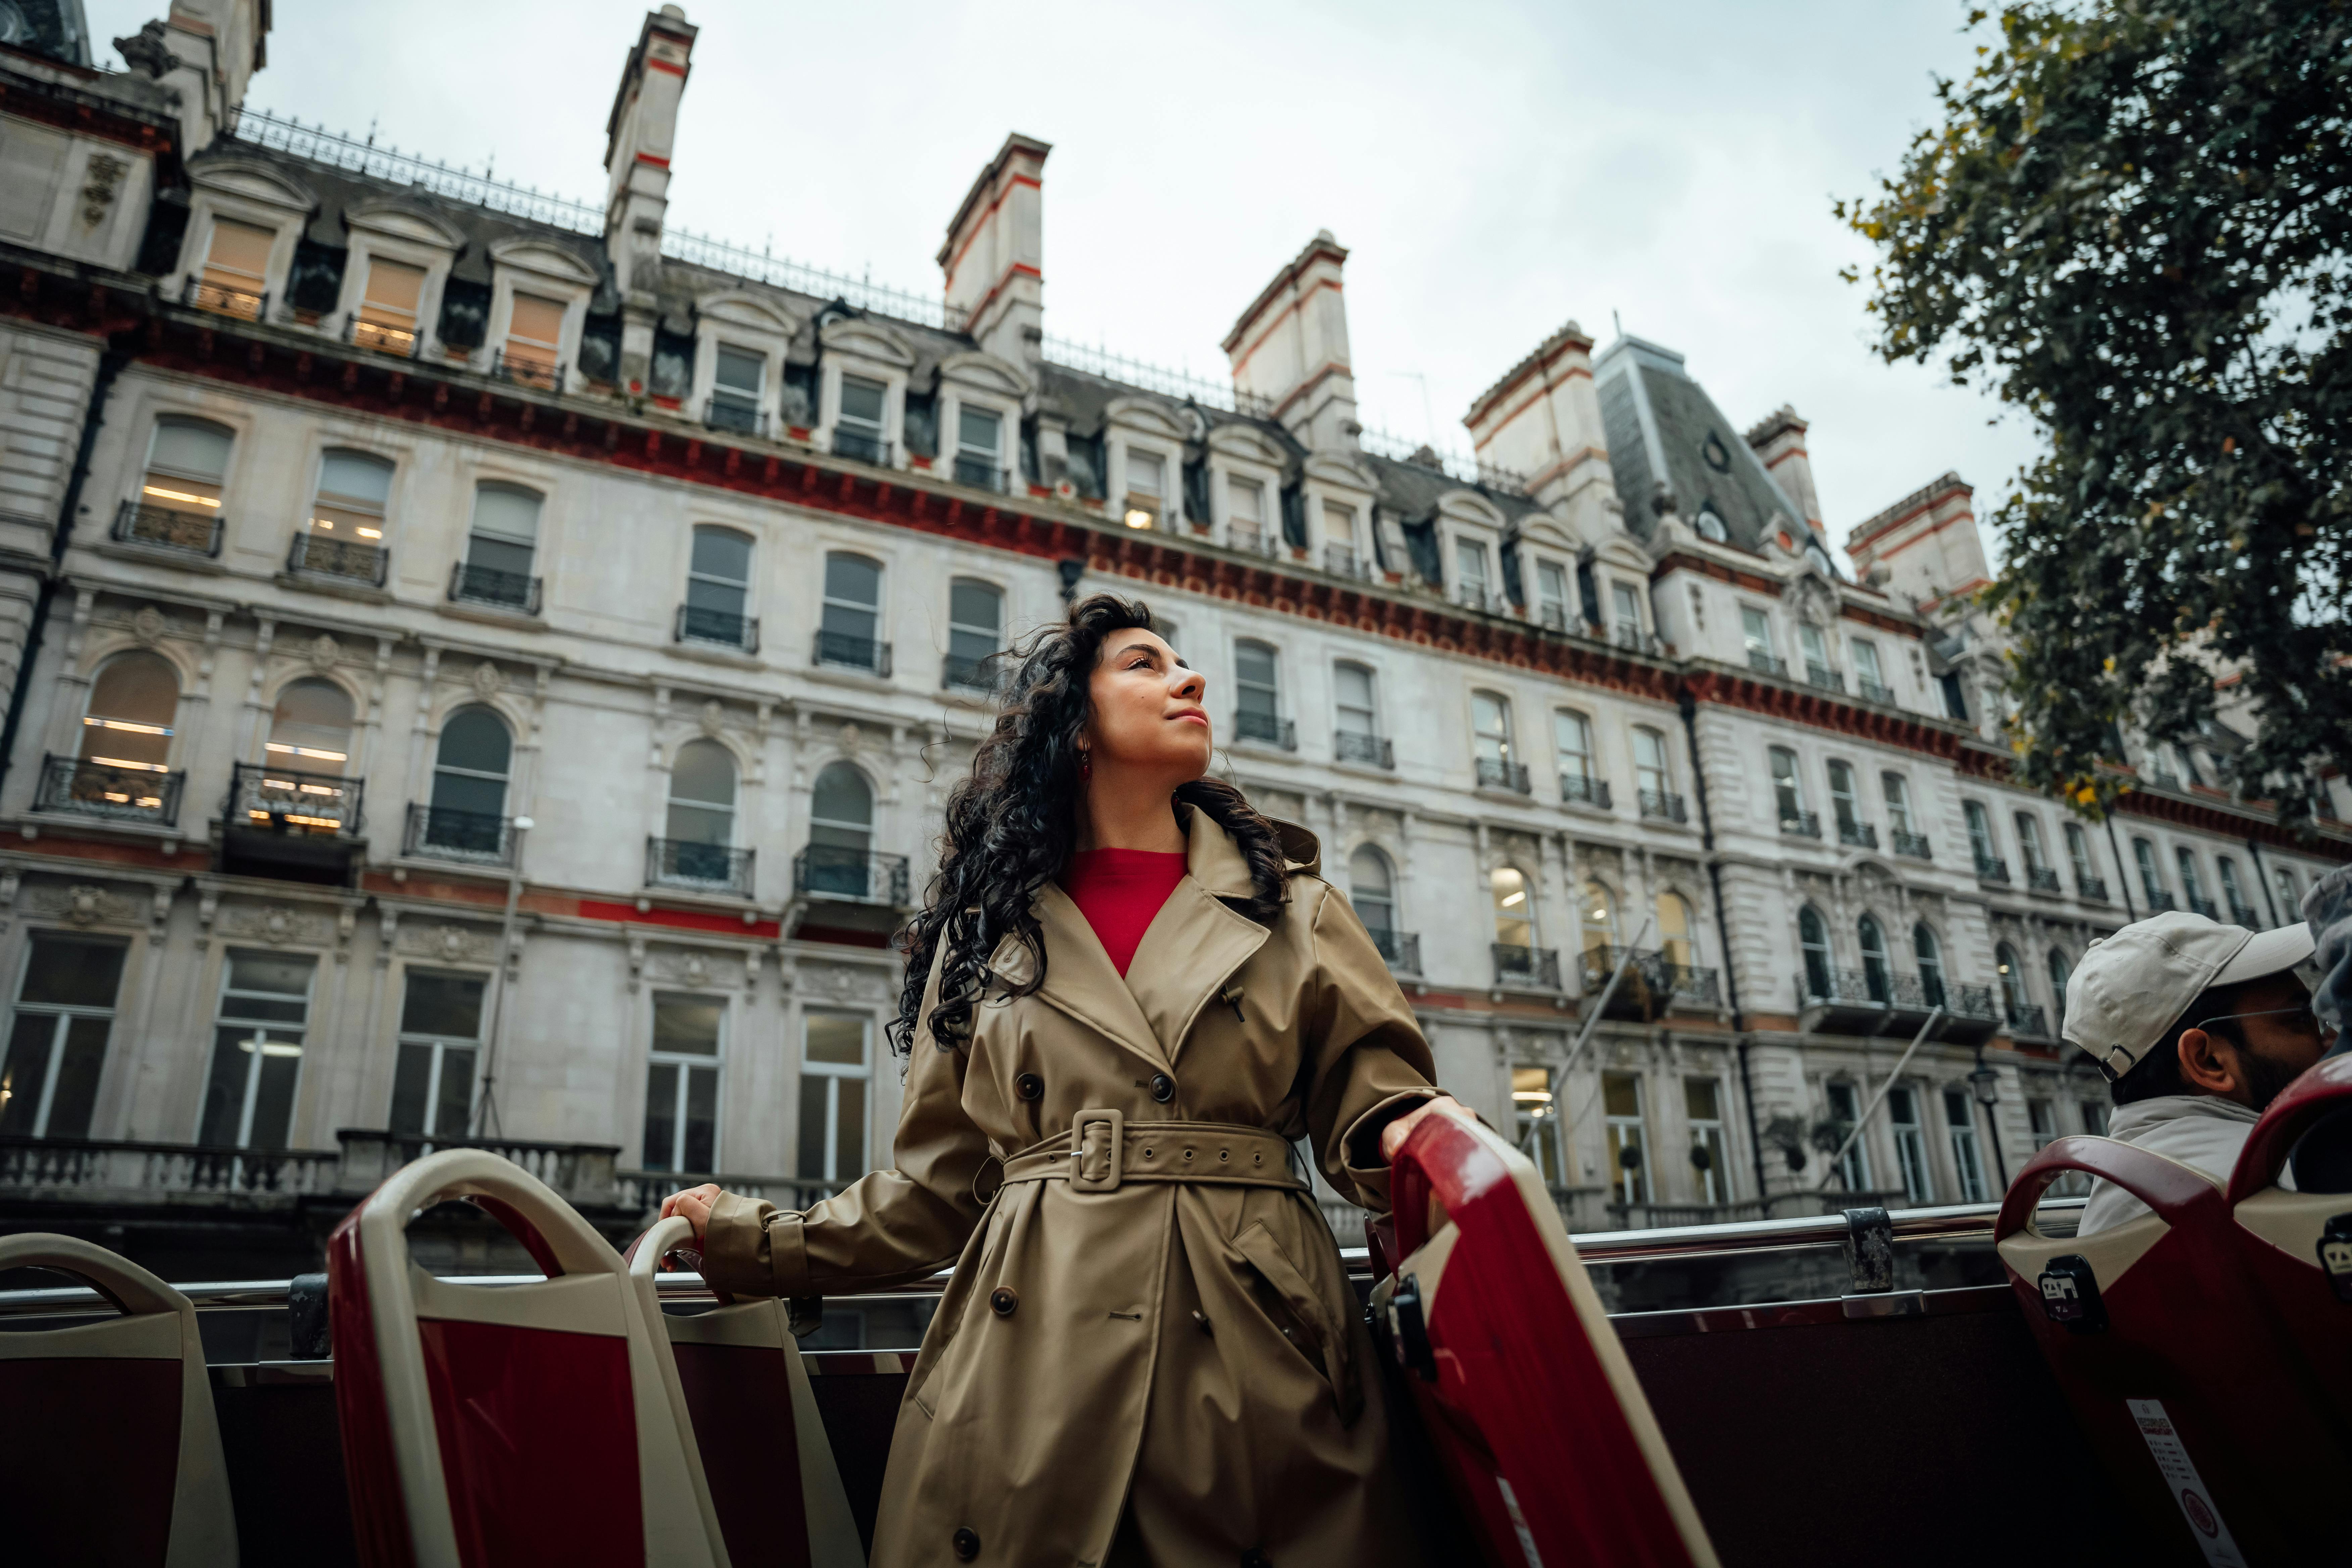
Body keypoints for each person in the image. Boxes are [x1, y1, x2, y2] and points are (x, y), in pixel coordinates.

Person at [660, 594, 1454, 1567]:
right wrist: (753, 1242)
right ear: (1074, 726)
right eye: (1145, 664)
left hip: (1258, 1348)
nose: (1190, 680)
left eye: (1182, 665)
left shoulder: (1295, 908)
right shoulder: (985, 932)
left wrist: (1432, 1144)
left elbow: (1382, 1106)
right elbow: (931, 1196)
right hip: (1026, 1359)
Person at [2064, 910, 2334, 1236]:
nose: (2331, 1038)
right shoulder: (2296, 1170)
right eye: (2303, 1017)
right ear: (2208, 1061)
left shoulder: (2126, 1183)